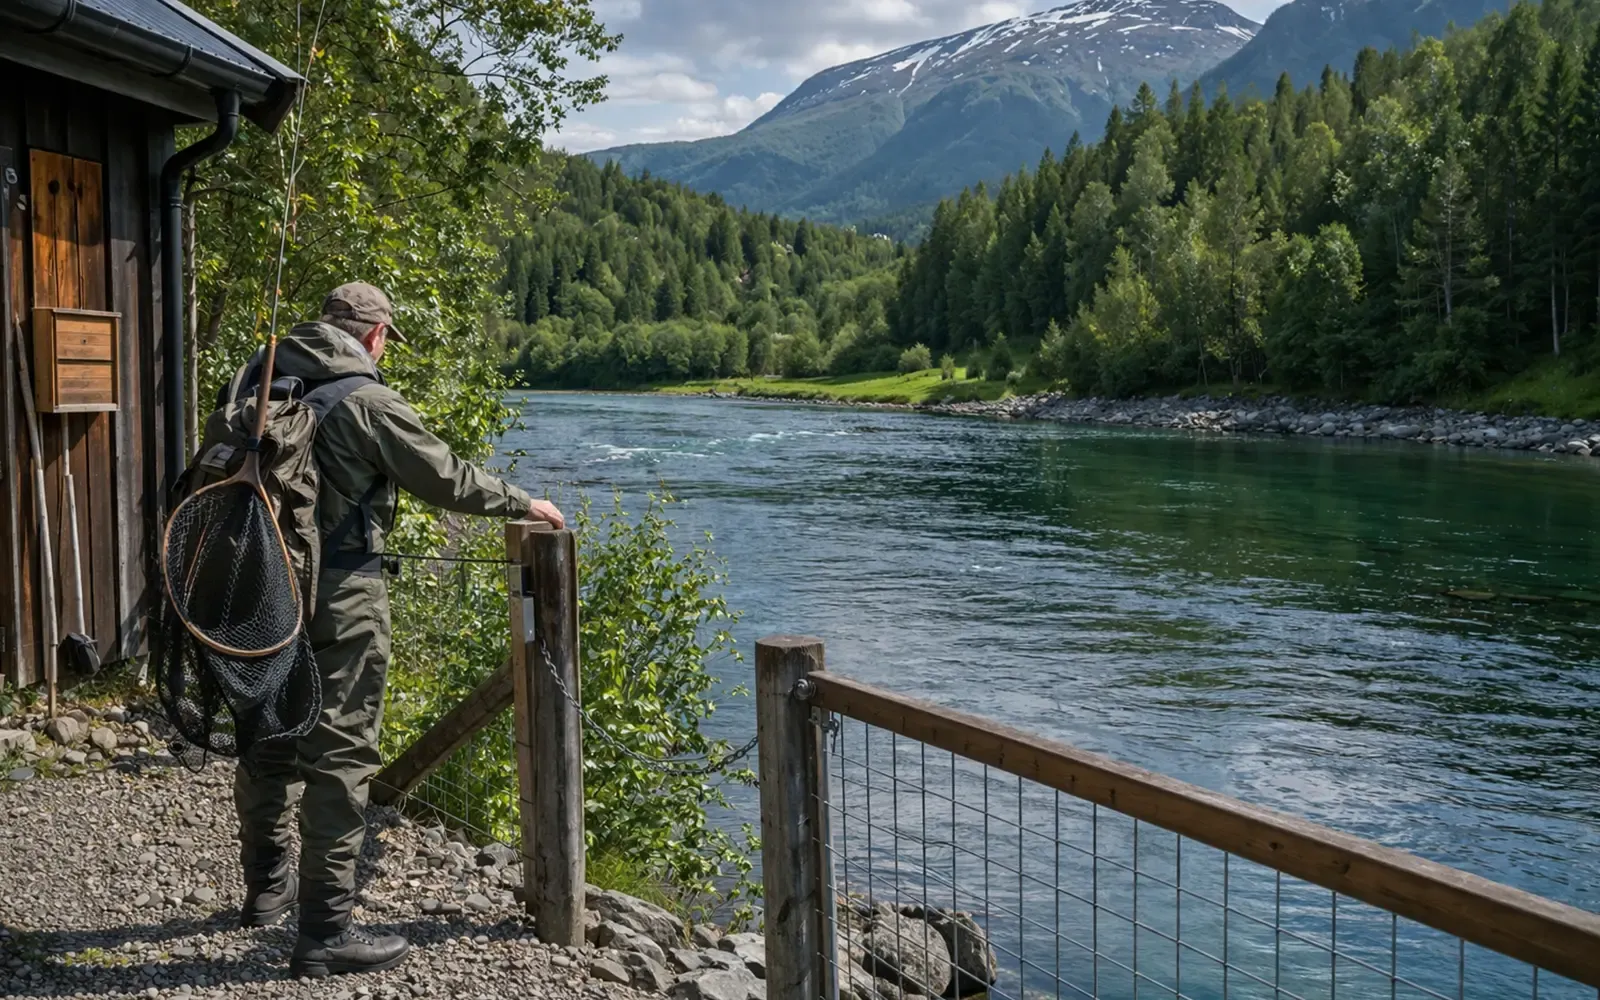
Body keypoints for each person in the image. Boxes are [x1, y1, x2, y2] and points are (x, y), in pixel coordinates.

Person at [230, 282, 564, 978]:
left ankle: (265, 892)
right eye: (386, 339)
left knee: (267, 736)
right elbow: (445, 477)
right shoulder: (368, 401)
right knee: (341, 755)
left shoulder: (263, 383)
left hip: (260, 590)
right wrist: (524, 502)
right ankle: (323, 933)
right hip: (342, 597)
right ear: (376, 335)